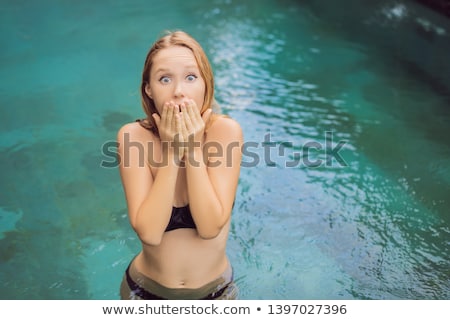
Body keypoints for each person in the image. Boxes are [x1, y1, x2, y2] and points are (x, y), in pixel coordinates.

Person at [117, 30, 243, 300]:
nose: (178, 91)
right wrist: (173, 152)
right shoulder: (132, 137)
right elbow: (150, 233)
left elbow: (210, 227)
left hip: (215, 293)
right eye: (165, 79)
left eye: (190, 77)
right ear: (149, 88)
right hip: (145, 291)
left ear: (205, 84)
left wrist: (193, 147)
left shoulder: (226, 132)